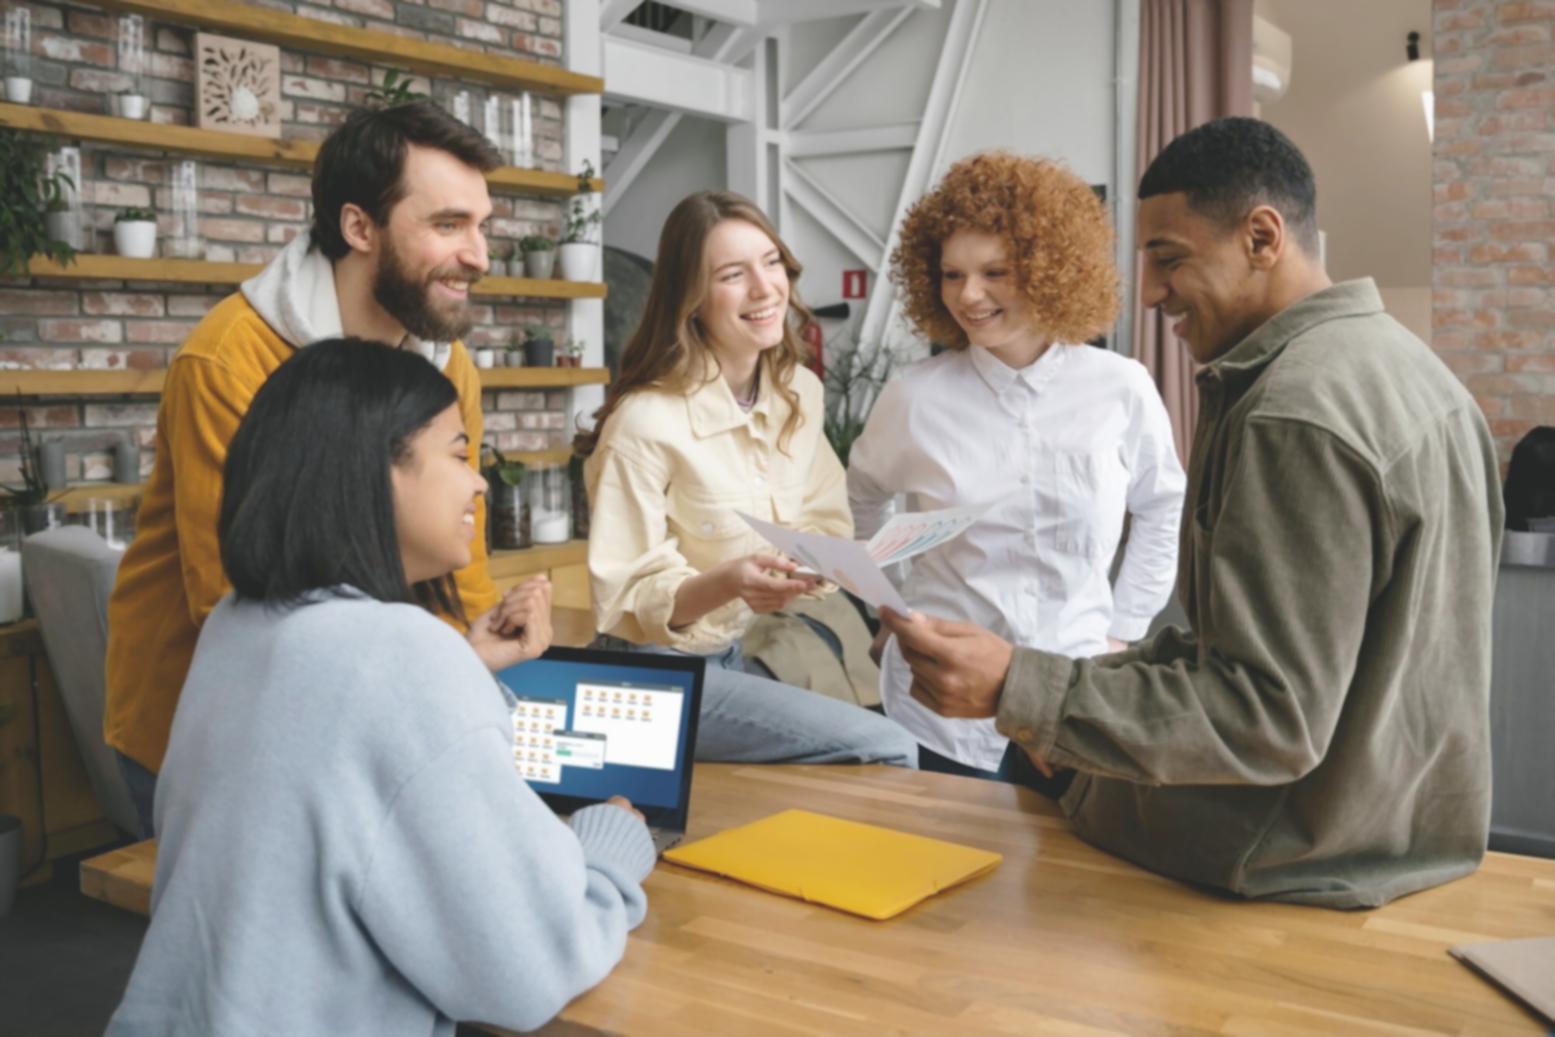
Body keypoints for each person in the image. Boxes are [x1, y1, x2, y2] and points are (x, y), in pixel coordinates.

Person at [882, 117, 1503, 908]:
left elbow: (1265, 714)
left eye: (1169, 259)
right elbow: (1284, 654)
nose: (1148, 292)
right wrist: (1069, 687)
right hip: (1396, 838)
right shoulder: (1416, 374)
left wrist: (1025, 689)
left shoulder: (1291, 411)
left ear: (1261, 237)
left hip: (1283, 861)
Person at [106, 339, 653, 1035]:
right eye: (457, 455)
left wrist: (458, 661)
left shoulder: (239, 627)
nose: (480, 483)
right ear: (376, 471)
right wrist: (609, 846)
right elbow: (525, 969)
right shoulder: (397, 651)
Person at [105, 101, 540, 837]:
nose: (479, 256)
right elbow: (239, 603)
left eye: (482, 226)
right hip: (209, 729)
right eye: (447, 225)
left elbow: (455, 566)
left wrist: (485, 681)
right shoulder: (229, 360)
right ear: (359, 227)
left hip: (366, 709)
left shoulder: (446, 364)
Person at [848, 152, 1184, 789]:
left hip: (1077, 696)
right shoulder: (915, 397)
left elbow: (1163, 505)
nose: (969, 296)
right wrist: (891, 609)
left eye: (994, 271)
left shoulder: (1121, 388)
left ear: (1050, 268)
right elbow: (861, 499)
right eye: (952, 274)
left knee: (1074, 882)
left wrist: (1123, 631)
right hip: (938, 709)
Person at [575, 190, 916, 767]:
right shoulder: (644, 422)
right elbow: (627, 599)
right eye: (733, 274)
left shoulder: (798, 394)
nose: (765, 289)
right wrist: (731, 580)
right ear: (692, 299)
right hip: (649, 678)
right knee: (888, 748)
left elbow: (822, 521)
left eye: (772, 262)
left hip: (728, 656)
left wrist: (812, 566)